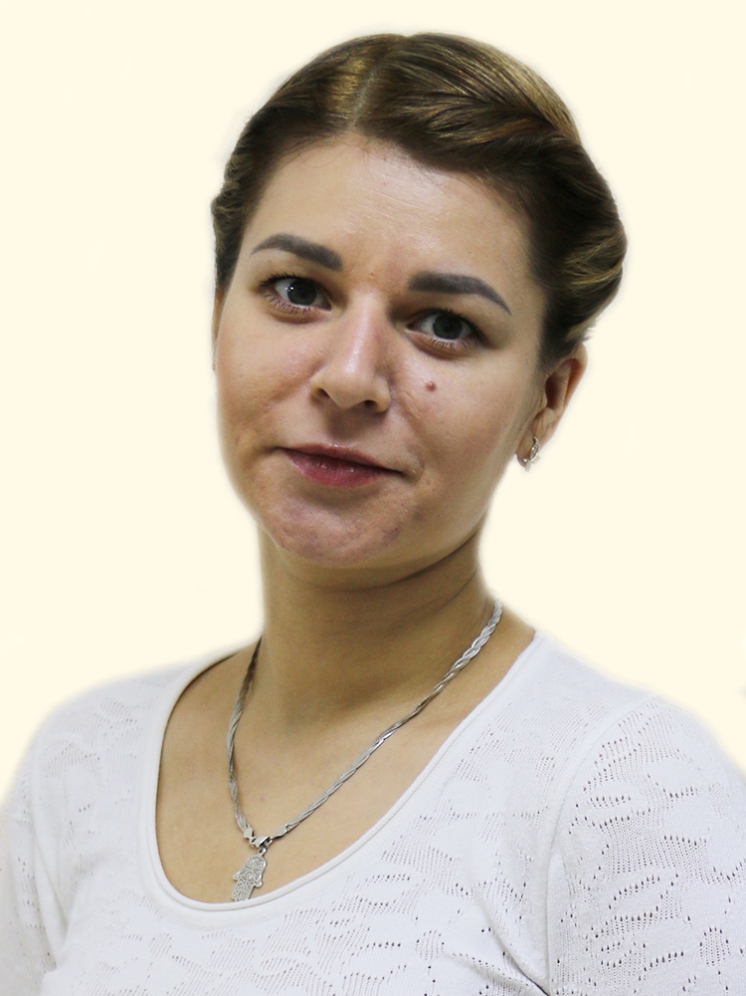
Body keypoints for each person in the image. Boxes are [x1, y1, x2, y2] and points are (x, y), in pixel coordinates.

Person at [1, 32, 744, 995]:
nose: (350, 376)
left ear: (548, 397)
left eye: (445, 324)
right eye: (297, 291)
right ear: (217, 316)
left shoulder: (628, 800)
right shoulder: (81, 768)